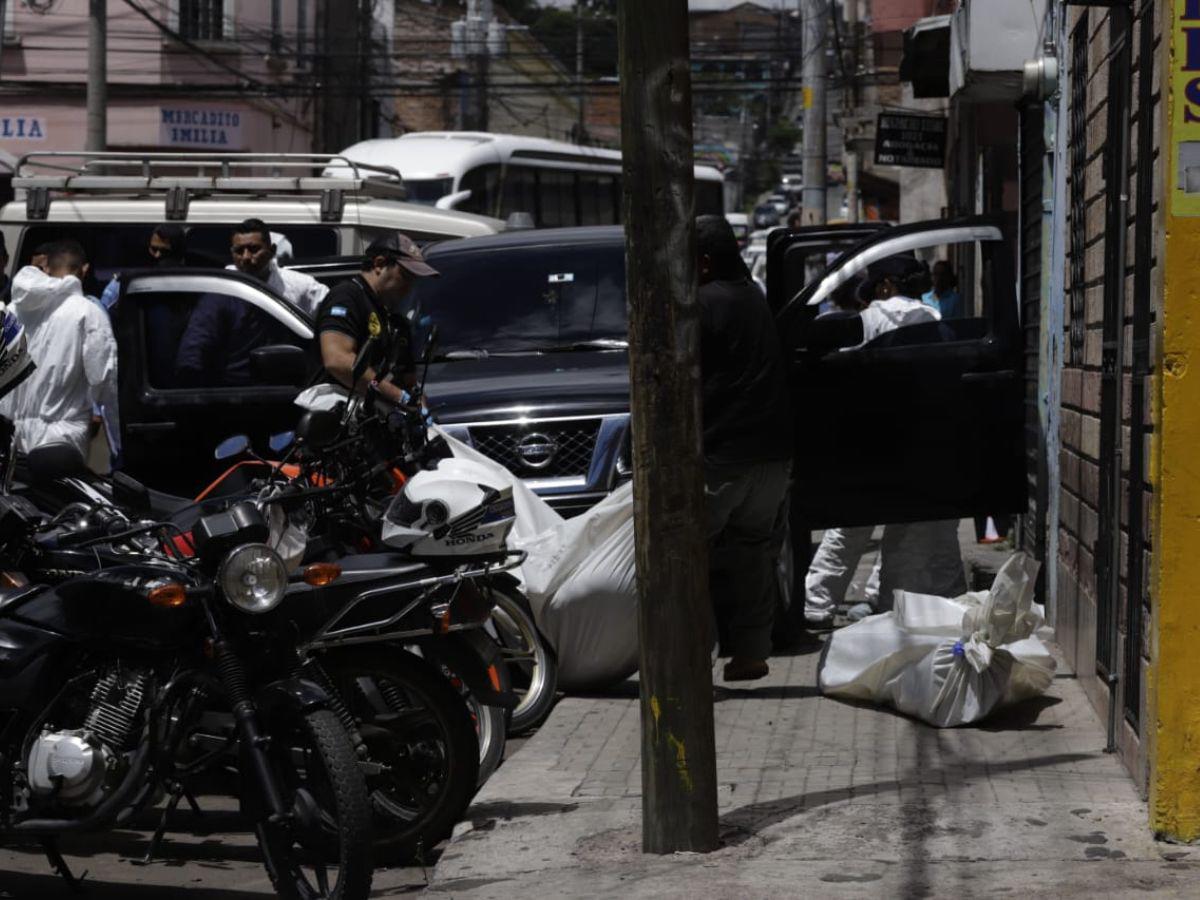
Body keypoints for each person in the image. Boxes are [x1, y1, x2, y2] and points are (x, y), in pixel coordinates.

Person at [804, 256, 966, 626]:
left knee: (847, 532)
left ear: (885, 286)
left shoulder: (866, 321)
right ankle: (889, 602)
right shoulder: (938, 323)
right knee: (912, 534)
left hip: (870, 444)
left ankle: (816, 606)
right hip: (923, 446)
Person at [695, 214, 792, 682]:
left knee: (691, 555)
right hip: (771, 457)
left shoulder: (703, 303)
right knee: (753, 552)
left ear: (706, 262)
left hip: (724, 455)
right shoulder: (754, 297)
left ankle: (694, 658)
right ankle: (752, 652)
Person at [0, 241, 119, 460]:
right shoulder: (87, 312)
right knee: (55, 494)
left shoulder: (13, 309)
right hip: (61, 440)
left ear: (47, 268)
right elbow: (103, 377)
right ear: (84, 270)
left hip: (10, 438)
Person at [316, 232, 437, 404]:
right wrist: (397, 396)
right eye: (405, 276)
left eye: (414, 280)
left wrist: (419, 405)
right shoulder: (348, 297)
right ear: (379, 264)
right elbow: (337, 360)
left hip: (373, 419)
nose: (409, 287)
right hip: (337, 415)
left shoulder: (394, 320)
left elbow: (408, 380)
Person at [227, 218, 328, 317]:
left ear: (272, 250)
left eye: (254, 249)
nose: (246, 257)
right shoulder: (223, 285)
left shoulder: (300, 285)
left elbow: (331, 309)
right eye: (239, 251)